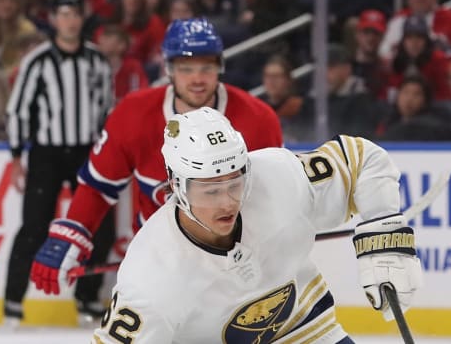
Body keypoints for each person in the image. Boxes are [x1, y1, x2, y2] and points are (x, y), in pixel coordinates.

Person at [92, 107, 424, 342]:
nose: (227, 202)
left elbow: (361, 158)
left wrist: (383, 238)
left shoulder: (275, 176)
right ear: (176, 186)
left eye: (235, 184)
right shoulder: (150, 280)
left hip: (304, 330)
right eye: (209, 190)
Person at [29, 18, 283, 305]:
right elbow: (98, 187)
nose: (197, 79)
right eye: (186, 69)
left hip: (234, 264)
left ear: (220, 67)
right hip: (157, 262)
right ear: (168, 69)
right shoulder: (133, 115)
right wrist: (71, 234)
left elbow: (274, 197)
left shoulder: (258, 120)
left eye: (206, 68)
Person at [3, 0, 113, 324]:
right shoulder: (37, 61)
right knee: (35, 226)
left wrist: (107, 154)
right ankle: (13, 301)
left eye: (74, 13)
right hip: (47, 154)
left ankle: (86, 297)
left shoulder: (97, 60)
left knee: (99, 225)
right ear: (53, 19)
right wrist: (16, 156)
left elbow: (108, 110)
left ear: (82, 18)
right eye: (63, 14)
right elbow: (17, 110)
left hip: (85, 152)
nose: (69, 20)